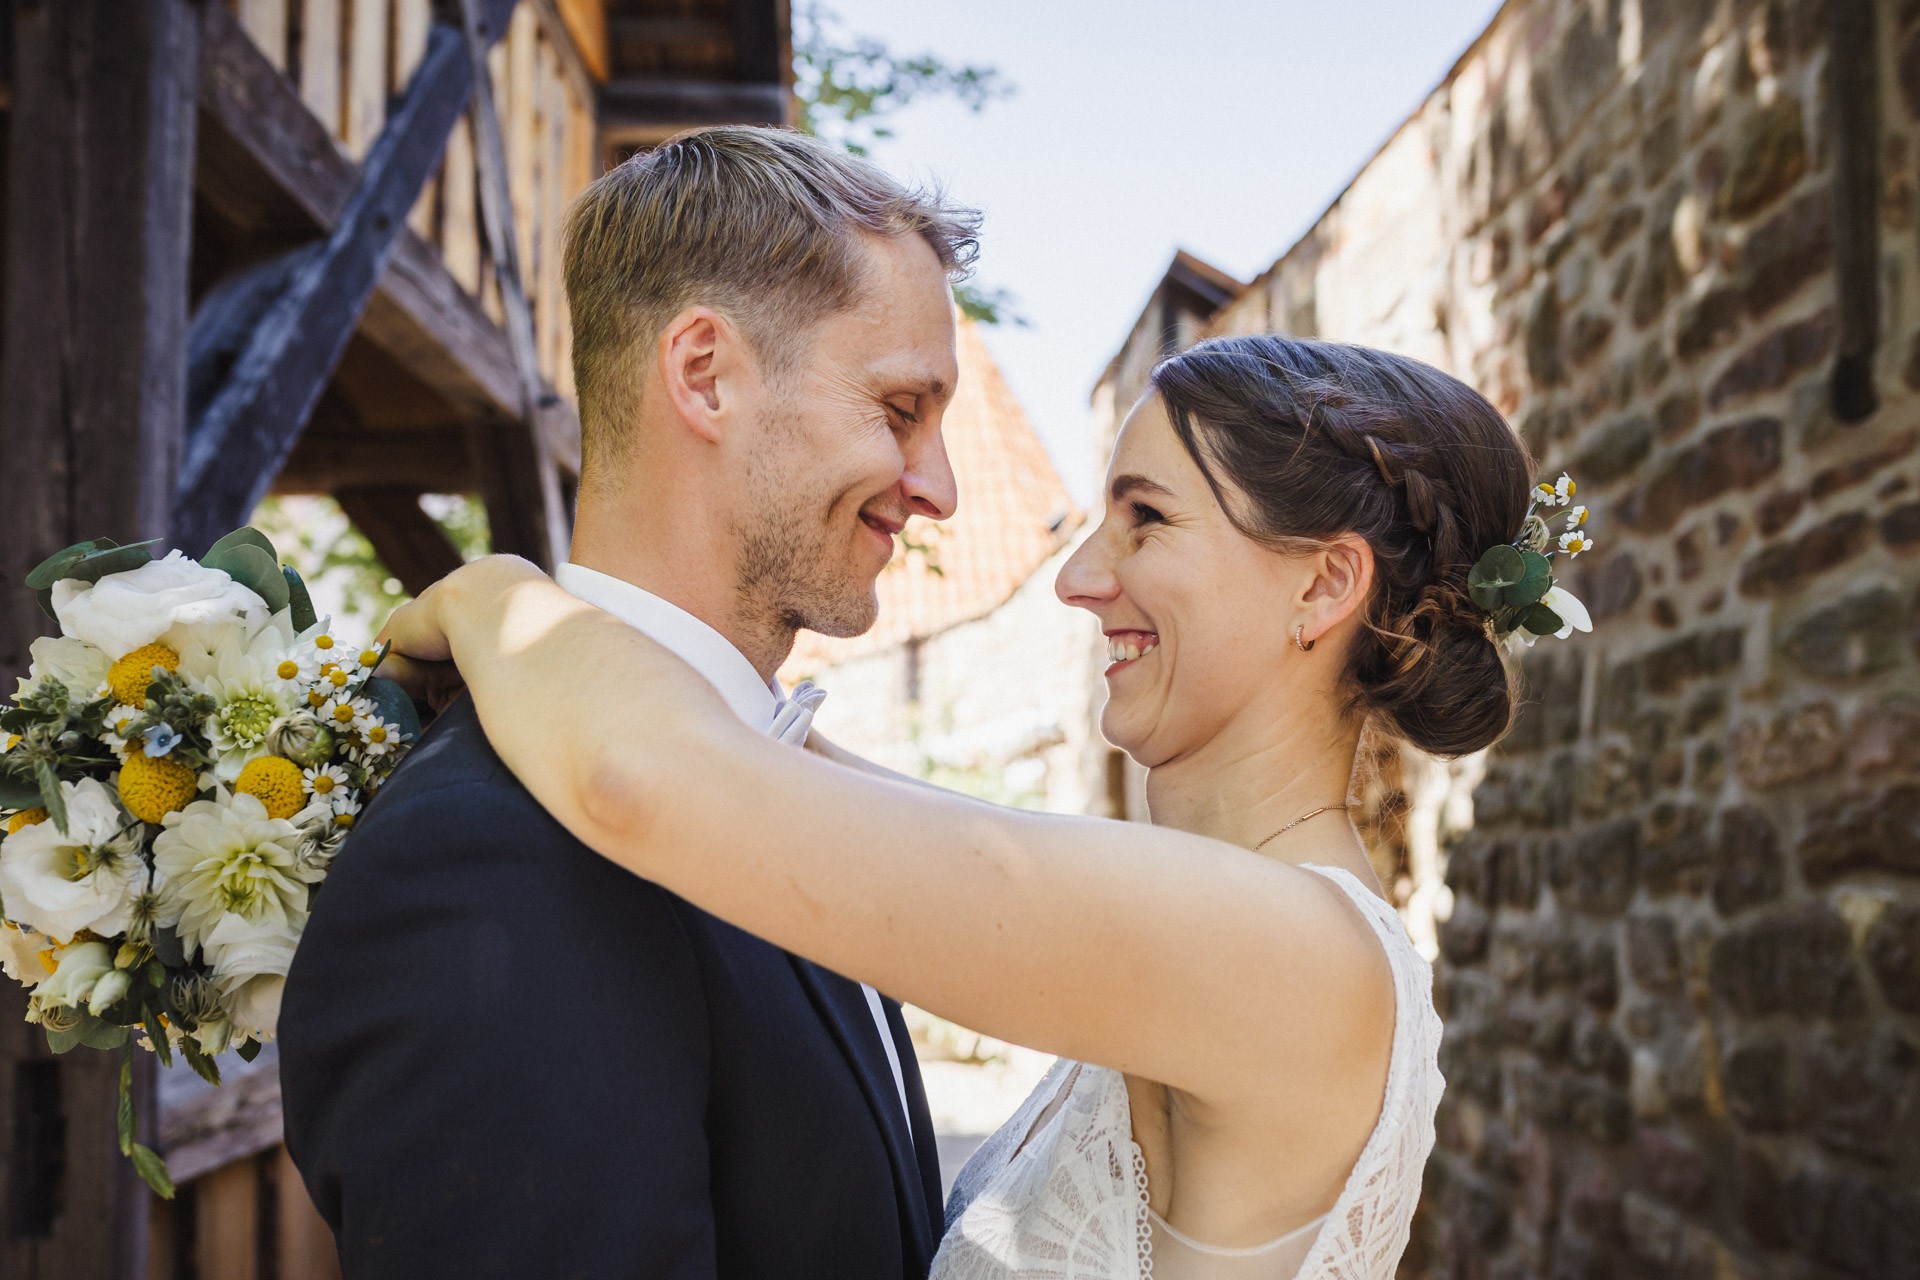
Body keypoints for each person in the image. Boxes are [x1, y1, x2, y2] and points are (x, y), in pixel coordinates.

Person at [380, 334, 1557, 1278]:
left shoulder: (1282, 951)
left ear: (1324, 583)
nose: (1078, 576)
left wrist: (491, 595)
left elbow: (639, 779)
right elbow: (809, 775)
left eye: (1146, 517)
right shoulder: (1235, 922)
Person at [277, 126, 981, 1279]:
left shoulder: (785, 787)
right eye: (901, 407)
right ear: (703, 373)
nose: (939, 487)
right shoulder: (482, 852)